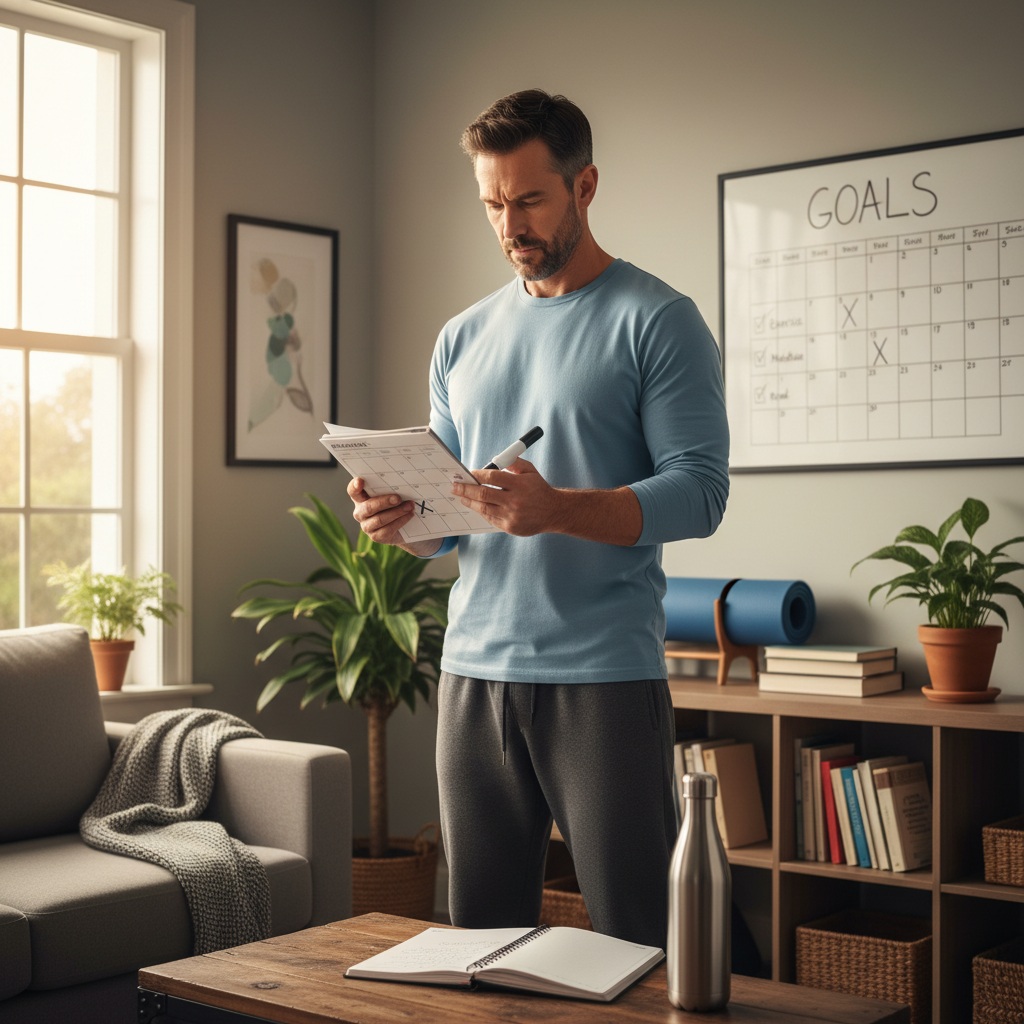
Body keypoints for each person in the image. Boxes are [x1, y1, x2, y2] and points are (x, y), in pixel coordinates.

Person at [348, 89, 729, 949]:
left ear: (584, 185)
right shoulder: (461, 337)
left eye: (529, 199)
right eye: (492, 203)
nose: (509, 223)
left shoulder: (658, 321)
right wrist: (398, 514)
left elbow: (701, 492)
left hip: (603, 679)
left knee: (641, 937)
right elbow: (448, 516)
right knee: (476, 941)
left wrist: (555, 508)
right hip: (473, 674)